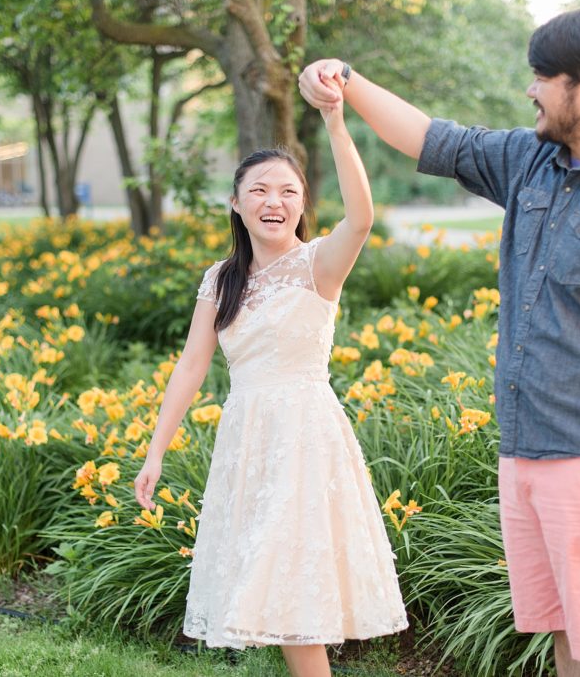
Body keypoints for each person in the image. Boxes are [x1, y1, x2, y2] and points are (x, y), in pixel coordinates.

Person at [299, 6, 580, 677]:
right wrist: (344, 77)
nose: (531, 89)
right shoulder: (530, 161)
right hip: (525, 454)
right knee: (569, 639)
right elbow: (431, 139)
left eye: (544, 77)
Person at [133, 72, 408, 677]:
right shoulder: (221, 279)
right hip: (248, 440)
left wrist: (335, 121)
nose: (273, 202)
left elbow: (361, 218)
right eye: (258, 191)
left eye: (287, 191)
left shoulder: (318, 265)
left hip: (305, 437)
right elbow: (191, 366)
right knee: (281, 593)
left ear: (302, 204)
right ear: (236, 204)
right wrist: (155, 452)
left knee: (292, 586)